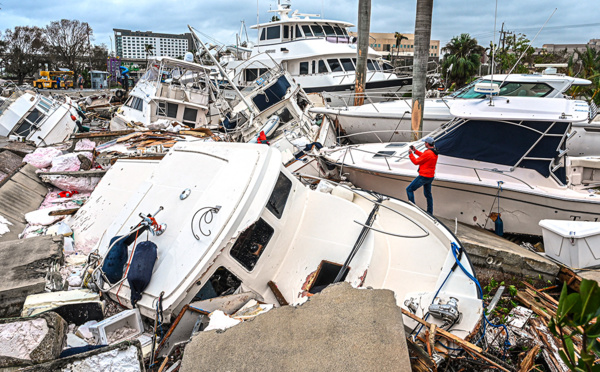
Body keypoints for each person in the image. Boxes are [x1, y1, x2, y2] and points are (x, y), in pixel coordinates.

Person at [406, 136, 439, 215]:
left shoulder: (428, 153)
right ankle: (430, 212)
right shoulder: (434, 151)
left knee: (409, 189)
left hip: (424, 176)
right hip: (430, 176)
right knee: (428, 195)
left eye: (425, 142)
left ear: (427, 143)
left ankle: (413, 208)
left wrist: (410, 154)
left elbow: (416, 162)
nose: (424, 143)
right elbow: (424, 156)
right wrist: (415, 151)